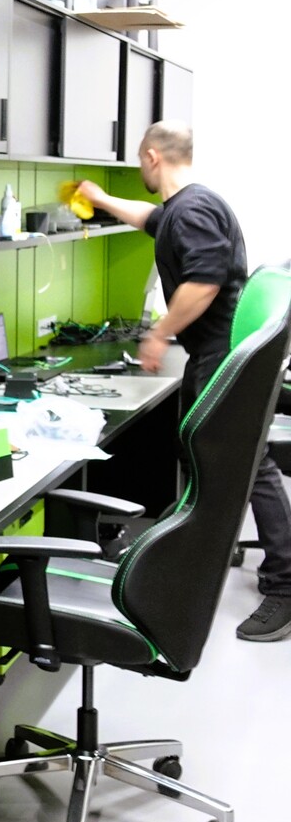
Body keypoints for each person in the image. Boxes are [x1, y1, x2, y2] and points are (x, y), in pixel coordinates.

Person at [77, 121, 291, 641]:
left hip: (221, 355)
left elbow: (204, 281)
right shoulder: (187, 207)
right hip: (216, 352)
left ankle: (285, 585)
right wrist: (101, 199)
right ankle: (193, 551)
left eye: (139, 161)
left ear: (152, 156)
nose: (140, 170)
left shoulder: (192, 210)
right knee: (205, 460)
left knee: (248, 468)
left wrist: (157, 334)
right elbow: (149, 217)